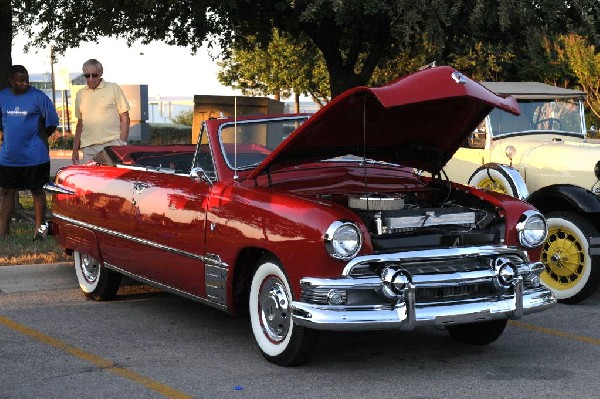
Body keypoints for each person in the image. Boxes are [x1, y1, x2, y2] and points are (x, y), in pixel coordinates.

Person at [0, 65, 59, 240]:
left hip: (36, 157)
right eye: (21, 80)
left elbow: (51, 123)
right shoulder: (2, 97)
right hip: (9, 157)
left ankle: (39, 233)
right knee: (6, 192)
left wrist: (38, 140)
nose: (25, 83)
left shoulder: (39, 97)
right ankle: (2, 232)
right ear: (11, 80)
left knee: (38, 192)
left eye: (27, 79)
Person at [72, 59, 130, 164]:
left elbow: (125, 118)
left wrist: (122, 143)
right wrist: (75, 149)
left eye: (94, 75)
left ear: (101, 73)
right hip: (88, 149)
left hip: (111, 146)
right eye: (87, 75)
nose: (90, 79)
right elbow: (80, 123)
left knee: (112, 179)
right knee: (89, 180)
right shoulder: (80, 94)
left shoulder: (113, 88)